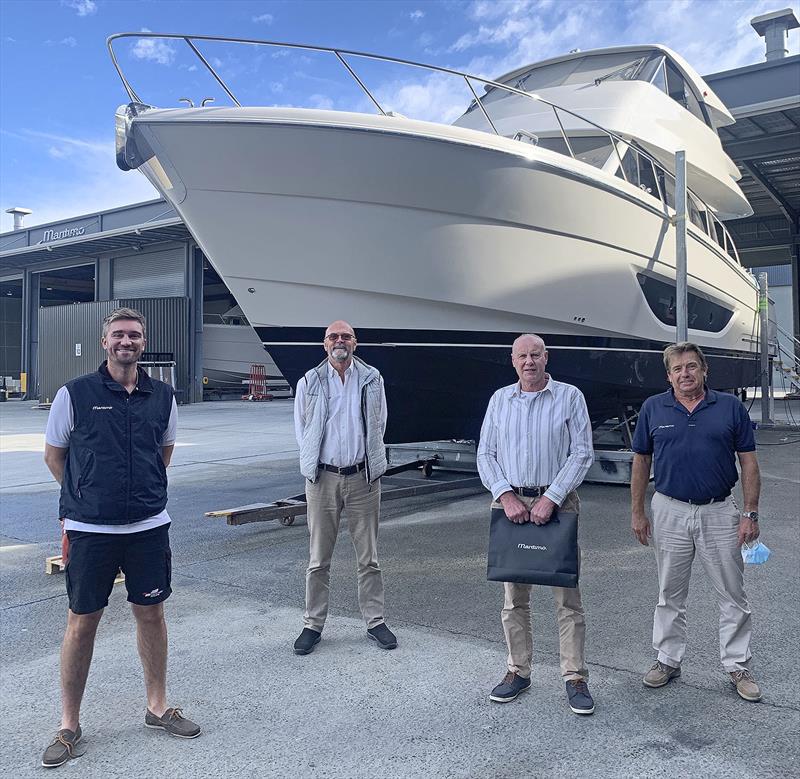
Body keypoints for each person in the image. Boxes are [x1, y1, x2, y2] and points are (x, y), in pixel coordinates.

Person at [41, 308, 200, 769]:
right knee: (82, 621)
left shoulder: (163, 396)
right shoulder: (75, 394)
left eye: (133, 335)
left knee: (151, 613)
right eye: (118, 335)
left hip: (148, 526)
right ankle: (69, 724)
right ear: (104, 342)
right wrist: (87, 497)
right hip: (91, 530)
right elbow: (56, 457)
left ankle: (156, 707)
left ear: (143, 343)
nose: (125, 342)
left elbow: (162, 453)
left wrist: (139, 492)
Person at [631, 342, 762, 702]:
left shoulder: (730, 408)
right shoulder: (653, 408)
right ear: (668, 375)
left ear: (704, 370)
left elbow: (748, 462)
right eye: (677, 369)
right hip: (669, 509)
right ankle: (667, 659)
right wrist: (638, 512)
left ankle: (737, 664)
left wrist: (750, 513)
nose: (685, 374)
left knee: (732, 593)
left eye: (691, 367)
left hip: (719, 511)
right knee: (669, 592)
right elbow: (641, 461)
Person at [477, 334, 595, 715]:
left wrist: (552, 497)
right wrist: (506, 495)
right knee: (514, 597)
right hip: (510, 503)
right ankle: (518, 670)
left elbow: (582, 452)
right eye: (522, 356)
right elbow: (486, 454)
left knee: (567, 596)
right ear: (513, 361)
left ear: (547, 358)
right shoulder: (499, 400)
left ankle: (574, 676)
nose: (529, 361)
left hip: (557, 502)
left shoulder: (570, 397)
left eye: (535, 355)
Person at [292, 320, 396, 654]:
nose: (340, 341)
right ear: (325, 344)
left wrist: (372, 461)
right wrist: (313, 466)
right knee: (318, 558)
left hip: (362, 479)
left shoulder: (372, 379)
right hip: (323, 479)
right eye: (334, 337)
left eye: (346, 336)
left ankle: (375, 620)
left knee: (369, 557)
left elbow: (379, 423)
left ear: (355, 343)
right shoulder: (309, 381)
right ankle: (313, 624)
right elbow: (303, 429)